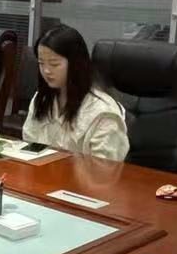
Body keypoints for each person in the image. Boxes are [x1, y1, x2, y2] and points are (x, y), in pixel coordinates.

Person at [21, 24, 130, 161]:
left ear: (76, 64)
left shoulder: (103, 112)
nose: (46, 70)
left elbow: (105, 168)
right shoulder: (42, 99)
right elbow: (29, 147)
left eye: (54, 64)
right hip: (42, 172)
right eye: (41, 63)